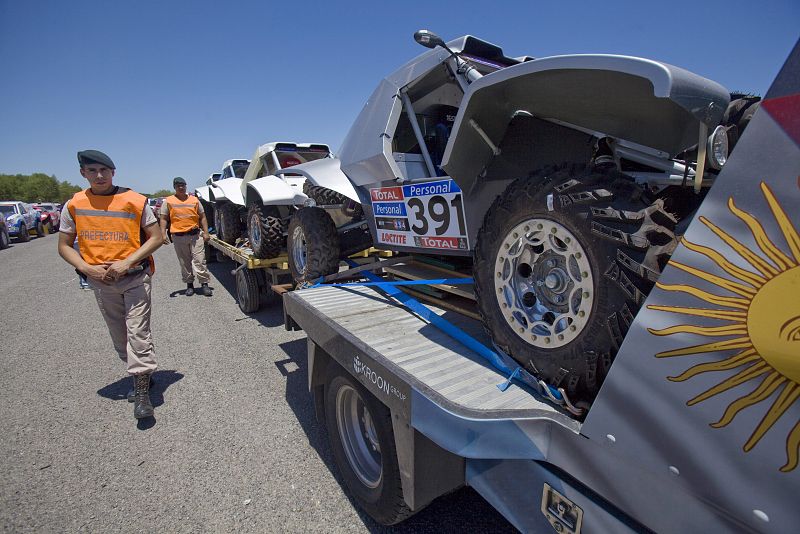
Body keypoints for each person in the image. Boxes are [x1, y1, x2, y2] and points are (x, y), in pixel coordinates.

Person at [58, 150, 162, 419]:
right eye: (92, 171)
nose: (99, 175)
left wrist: (127, 262)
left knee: (138, 333)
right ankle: (143, 373)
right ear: (83, 173)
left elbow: (156, 237)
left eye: (104, 170)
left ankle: (141, 392)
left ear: (113, 172)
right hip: (102, 283)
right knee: (120, 337)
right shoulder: (74, 204)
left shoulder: (134, 201)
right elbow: (64, 246)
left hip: (135, 277)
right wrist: (84, 266)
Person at [160, 177, 212, 296]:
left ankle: (204, 284)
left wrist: (206, 232)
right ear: (174, 187)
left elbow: (202, 216)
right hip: (178, 237)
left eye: (183, 185)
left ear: (186, 186)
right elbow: (163, 219)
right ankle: (189, 285)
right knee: (184, 262)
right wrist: (163, 234)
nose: (181, 187)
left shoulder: (194, 200)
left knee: (200, 260)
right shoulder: (168, 201)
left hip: (195, 236)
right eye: (178, 186)